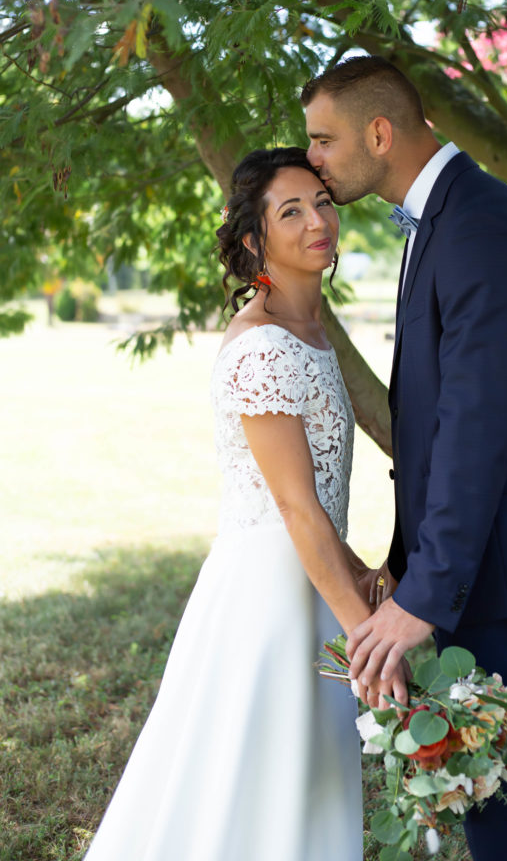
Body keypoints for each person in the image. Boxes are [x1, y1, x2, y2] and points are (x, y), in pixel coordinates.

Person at [302, 56, 507, 861]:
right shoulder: (444, 216)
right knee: (488, 789)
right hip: (481, 560)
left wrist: (427, 595)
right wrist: (412, 565)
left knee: (503, 800)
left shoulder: (475, 224)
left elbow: (478, 427)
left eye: (323, 141)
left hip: (502, 565)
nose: (314, 161)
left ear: (379, 132)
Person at [83, 146, 406, 861]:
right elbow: (293, 510)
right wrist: (371, 644)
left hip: (312, 582)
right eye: (290, 211)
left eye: (321, 201)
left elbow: (314, 502)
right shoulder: (263, 349)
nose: (317, 219)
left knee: (302, 785)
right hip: (266, 600)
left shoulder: (309, 334)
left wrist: (363, 589)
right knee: (253, 786)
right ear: (254, 241)